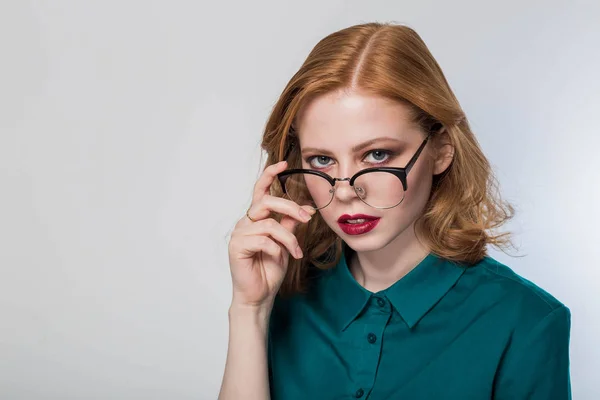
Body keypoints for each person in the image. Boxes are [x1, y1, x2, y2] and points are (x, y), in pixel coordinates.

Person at [218, 22, 571, 400]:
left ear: (441, 150)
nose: (345, 190)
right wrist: (249, 310)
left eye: (377, 154)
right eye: (322, 159)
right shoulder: (282, 294)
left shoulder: (527, 321)